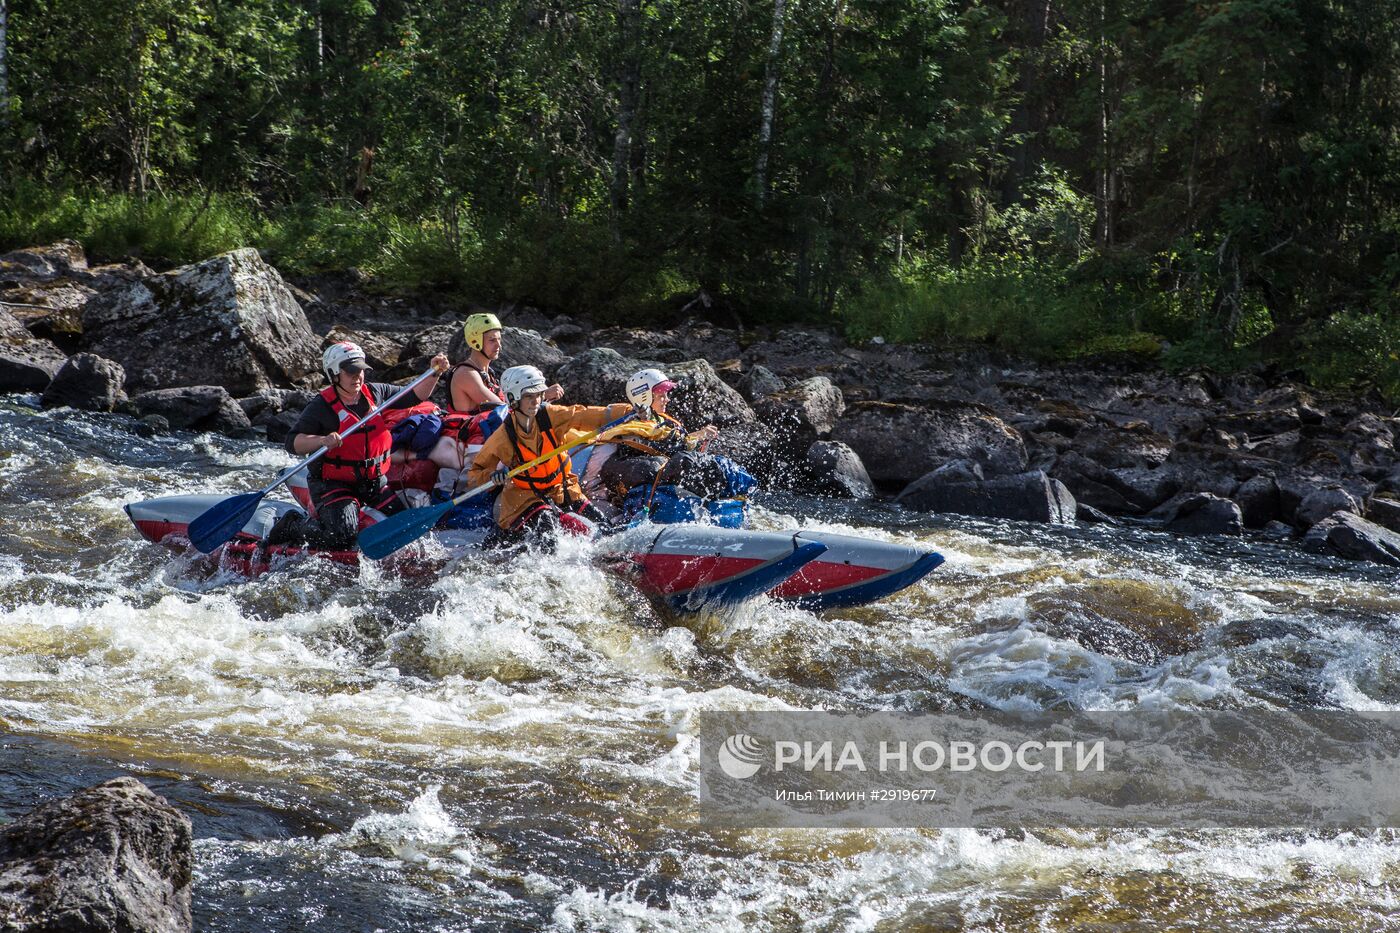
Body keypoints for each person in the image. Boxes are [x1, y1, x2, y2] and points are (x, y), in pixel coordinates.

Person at [267, 341, 450, 549]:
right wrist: (322, 441)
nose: (358, 376)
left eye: (361, 371)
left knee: (407, 525)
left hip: (372, 481)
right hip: (333, 483)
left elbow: (416, 395)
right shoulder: (321, 406)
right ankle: (293, 525)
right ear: (334, 374)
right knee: (341, 536)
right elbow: (292, 442)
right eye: (351, 372)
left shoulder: (375, 392)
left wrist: (434, 373)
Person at [466, 364, 632, 543]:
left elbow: (583, 415)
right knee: (548, 530)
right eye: (529, 396)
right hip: (524, 499)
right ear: (513, 398)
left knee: (604, 526)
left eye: (538, 395)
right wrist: (492, 476)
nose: (536, 401)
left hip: (562, 489)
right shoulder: (504, 436)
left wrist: (629, 412)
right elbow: (475, 473)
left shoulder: (551, 415)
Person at [583, 368, 721, 504]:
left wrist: (697, 440)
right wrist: (697, 436)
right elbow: (665, 446)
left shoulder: (661, 420)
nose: (667, 400)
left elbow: (672, 442)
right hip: (604, 489)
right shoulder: (633, 423)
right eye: (662, 396)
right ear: (644, 397)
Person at [446, 312, 564, 414]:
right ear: (474, 341)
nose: (498, 345)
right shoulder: (466, 374)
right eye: (492, 340)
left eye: (499, 339)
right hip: (472, 438)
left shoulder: (488, 373)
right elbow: (502, 409)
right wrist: (542, 395)